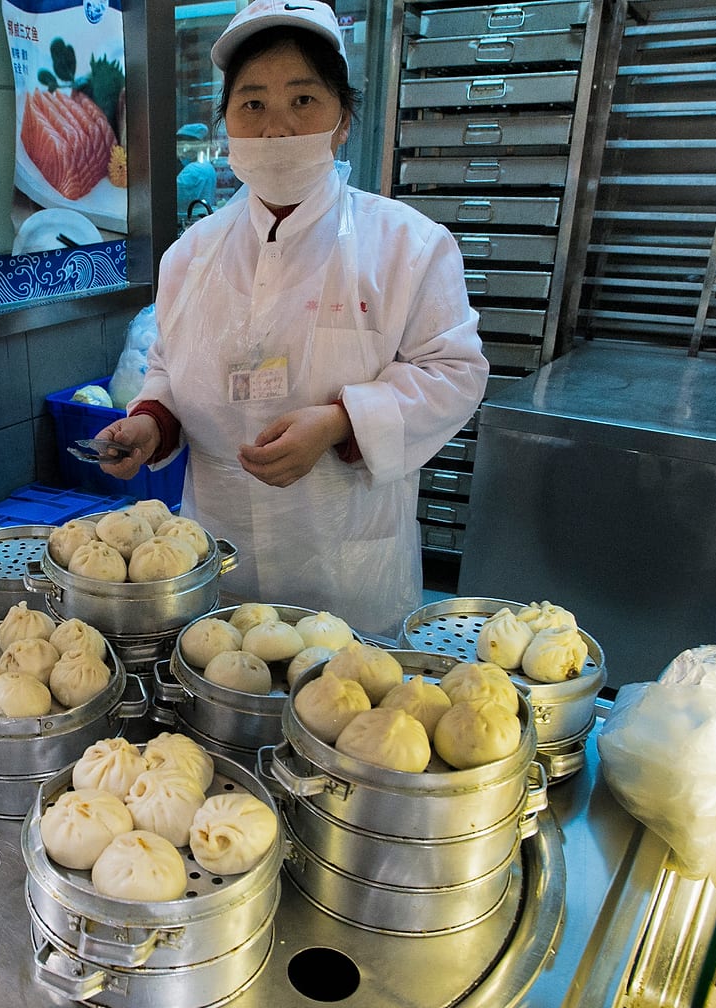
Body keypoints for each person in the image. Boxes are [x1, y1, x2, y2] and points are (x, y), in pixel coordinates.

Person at [95, 0, 487, 635]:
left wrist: (340, 422)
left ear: (342, 119)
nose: (277, 128)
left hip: (348, 569)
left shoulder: (408, 245)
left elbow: (454, 375)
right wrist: (151, 425)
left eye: (303, 100)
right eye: (252, 104)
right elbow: (168, 367)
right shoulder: (189, 256)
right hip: (219, 566)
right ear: (225, 123)